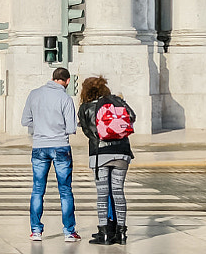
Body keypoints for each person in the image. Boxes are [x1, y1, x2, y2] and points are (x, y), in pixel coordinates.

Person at [21, 65, 79, 244]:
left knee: (38, 189)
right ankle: (69, 232)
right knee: (65, 190)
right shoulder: (66, 98)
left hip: (39, 146)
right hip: (61, 146)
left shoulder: (34, 94)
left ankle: (36, 230)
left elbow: (25, 120)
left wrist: (40, 129)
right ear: (67, 81)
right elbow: (71, 128)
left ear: (53, 78)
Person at [78, 76, 135, 246]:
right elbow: (131, 118)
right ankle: (121, 233)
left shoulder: (85, 108)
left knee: (102, 195)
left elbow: (88, 132)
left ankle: (104, 233)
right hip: (122, 152)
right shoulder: (117, 101)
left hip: (100, 154)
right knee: (118, 192)